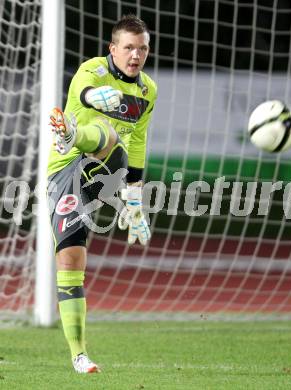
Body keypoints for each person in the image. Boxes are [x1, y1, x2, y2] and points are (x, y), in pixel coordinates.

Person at [47, 15, 157, 373]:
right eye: (128, 47)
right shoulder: (93, 69)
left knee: (112, 136)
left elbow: (137, 144)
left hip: (108, 163)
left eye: (142, 48)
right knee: (70, 261)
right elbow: (83, 91)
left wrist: (136, 204)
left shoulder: (147, 91)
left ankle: (72, 135)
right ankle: (79, 355)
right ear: (113, 49)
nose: (135, 55)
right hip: (64, 172)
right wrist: (95, 96)